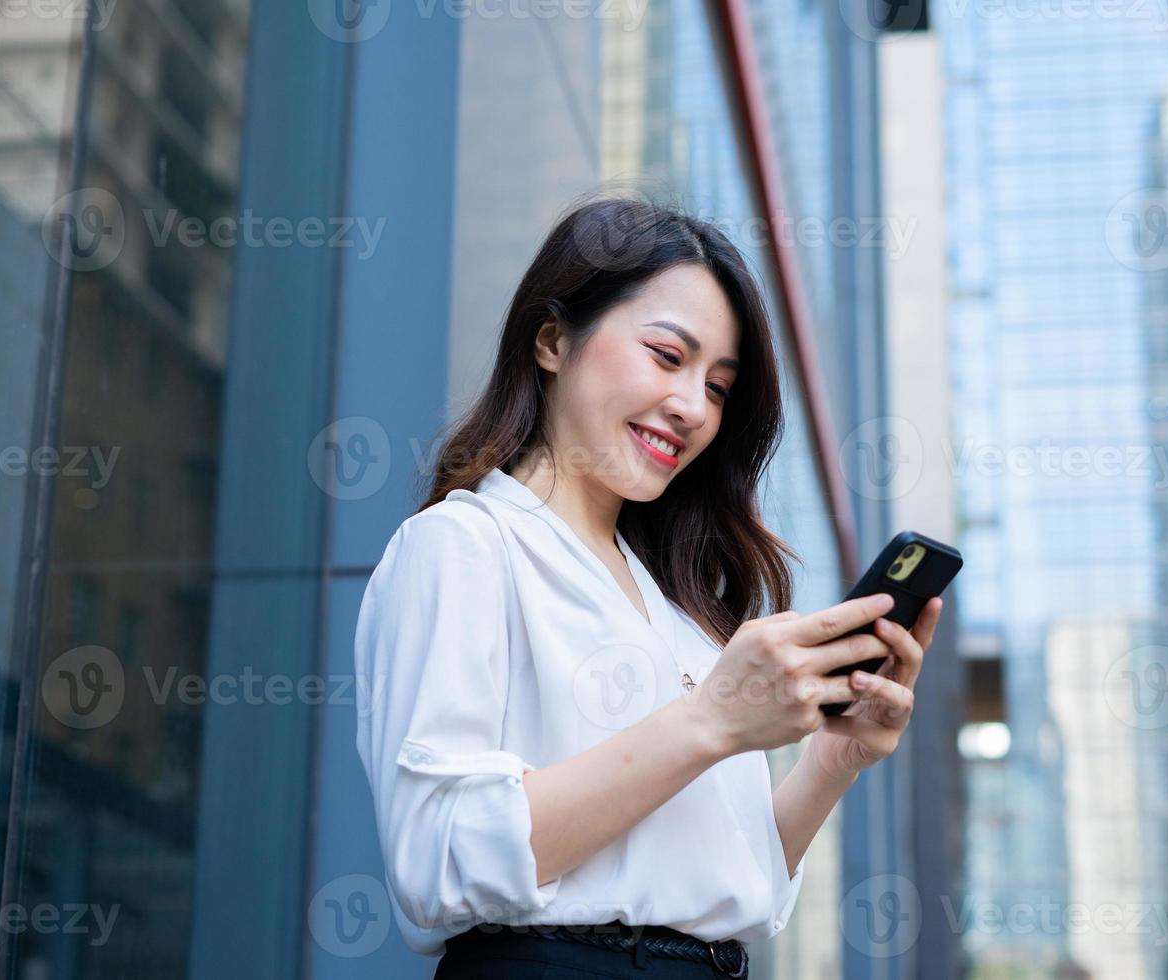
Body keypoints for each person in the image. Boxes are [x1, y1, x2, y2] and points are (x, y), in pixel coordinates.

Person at [353, 197, 943, 978]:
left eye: (720, 388)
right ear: (553, 340)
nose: (693, 408)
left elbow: (741, 888)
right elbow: (439, 858)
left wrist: (837, 756)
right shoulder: (463, 546)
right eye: (668, 356)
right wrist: (713, 719)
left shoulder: (680, 609)